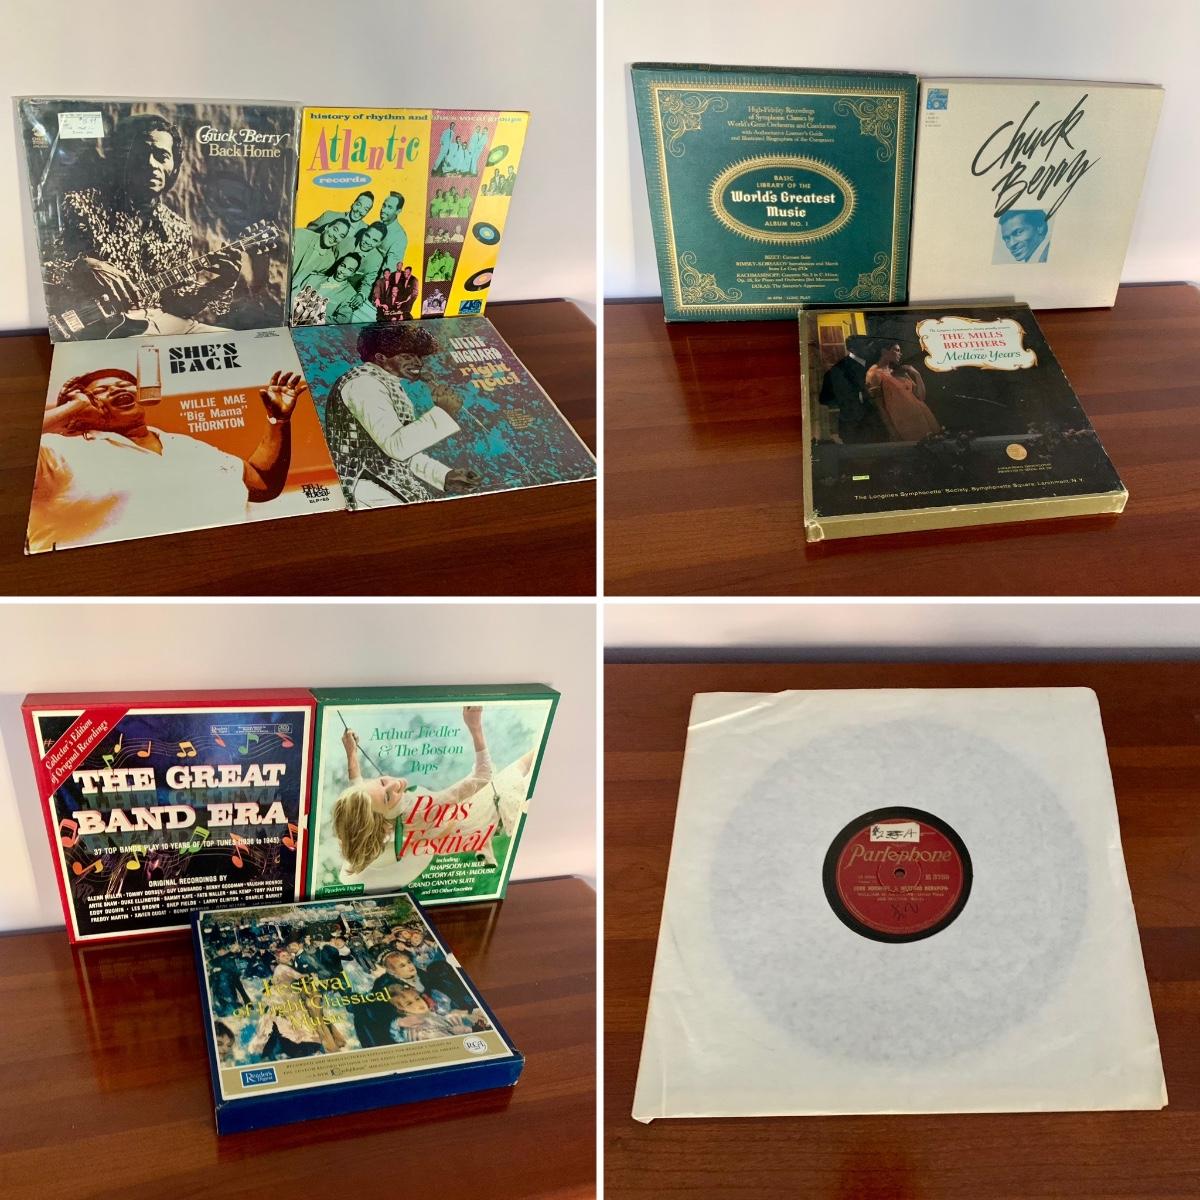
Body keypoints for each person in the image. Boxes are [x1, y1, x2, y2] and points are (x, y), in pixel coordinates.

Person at [28, 366, 305, 552]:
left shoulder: (186, 444)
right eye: (100, 391)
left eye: (125, 385)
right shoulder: (56, 451)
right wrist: (73, 408)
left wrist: (278, 421)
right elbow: (14, 444)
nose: (116, 389)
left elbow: (262, 483)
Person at [44, 113, 242, 336]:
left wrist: (220, 284)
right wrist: (83, 265)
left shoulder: (177, 228)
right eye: (140, 155)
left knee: (232, 339)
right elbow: (46, 268)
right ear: (123, 160)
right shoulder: (81, 205)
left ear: (174, 166)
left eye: (161, 155)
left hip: (162, 322)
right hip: (103, 327)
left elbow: (179, 307)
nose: (150, 164)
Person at [331, 704, 493, 889]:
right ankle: (484, 845)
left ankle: (485, 851)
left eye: (382, 782)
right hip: (462, 825)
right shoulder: (421, 808)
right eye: (387, 797)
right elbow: (483, 775)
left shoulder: (379, 813)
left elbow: (359, 788)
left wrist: (351, 752)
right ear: (383, 824)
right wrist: (474, 726)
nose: (395, 784)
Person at [323, 322, 481, 506]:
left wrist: (443, 476)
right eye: (407, 356)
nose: (418, 363)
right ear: (380, 357)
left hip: (380, 484)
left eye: (419, 356)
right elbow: (395, 448)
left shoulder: (384, 382)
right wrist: (444, 411)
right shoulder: (364, 384)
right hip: (365, 489)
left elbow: (398, 453)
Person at [865, 342, 942, 442]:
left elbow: (920, 396)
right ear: (884, 352)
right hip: (903, 422)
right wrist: (892, 430)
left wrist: (916, 374)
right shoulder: (874, 373)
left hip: (921, 417)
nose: (900, 354)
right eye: (897, 350)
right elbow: (879, 407)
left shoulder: (898, 371)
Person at [818, 334, 888, 444]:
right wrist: (859, 396)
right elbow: (826, 399)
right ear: (852, 349)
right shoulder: (839, 369)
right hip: (855, 428)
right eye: (865, 345)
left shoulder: (873, 365)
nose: (870, 348)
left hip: (877, 425)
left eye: (870, 344)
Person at [293, 251, 363, 324]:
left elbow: (342, 320)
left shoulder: (351, 294)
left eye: (350, 270)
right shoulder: (312, 278)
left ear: (352, 274)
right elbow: (293, 296)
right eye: (343, 265)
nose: (343, 271)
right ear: (338, 265)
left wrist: (315, 319)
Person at [307, 191, 375, 253]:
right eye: (359, 204)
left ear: (367, 213)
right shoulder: (329, 215)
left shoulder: (366, 231)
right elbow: (308, 231)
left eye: (365, 209)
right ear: (353, 204)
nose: (360, 210)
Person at [291, 217, 349, 289]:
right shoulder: (301, 234)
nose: (336, 236)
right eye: (335, 229)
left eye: (341, 236)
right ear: (327, 227)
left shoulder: (329, 261)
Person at [377, 192, 407, 272]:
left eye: (389, 207)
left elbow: (390, 270)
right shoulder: (376, 225)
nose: (383, 210)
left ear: (398, 211)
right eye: (384, 205)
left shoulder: (400, 237)